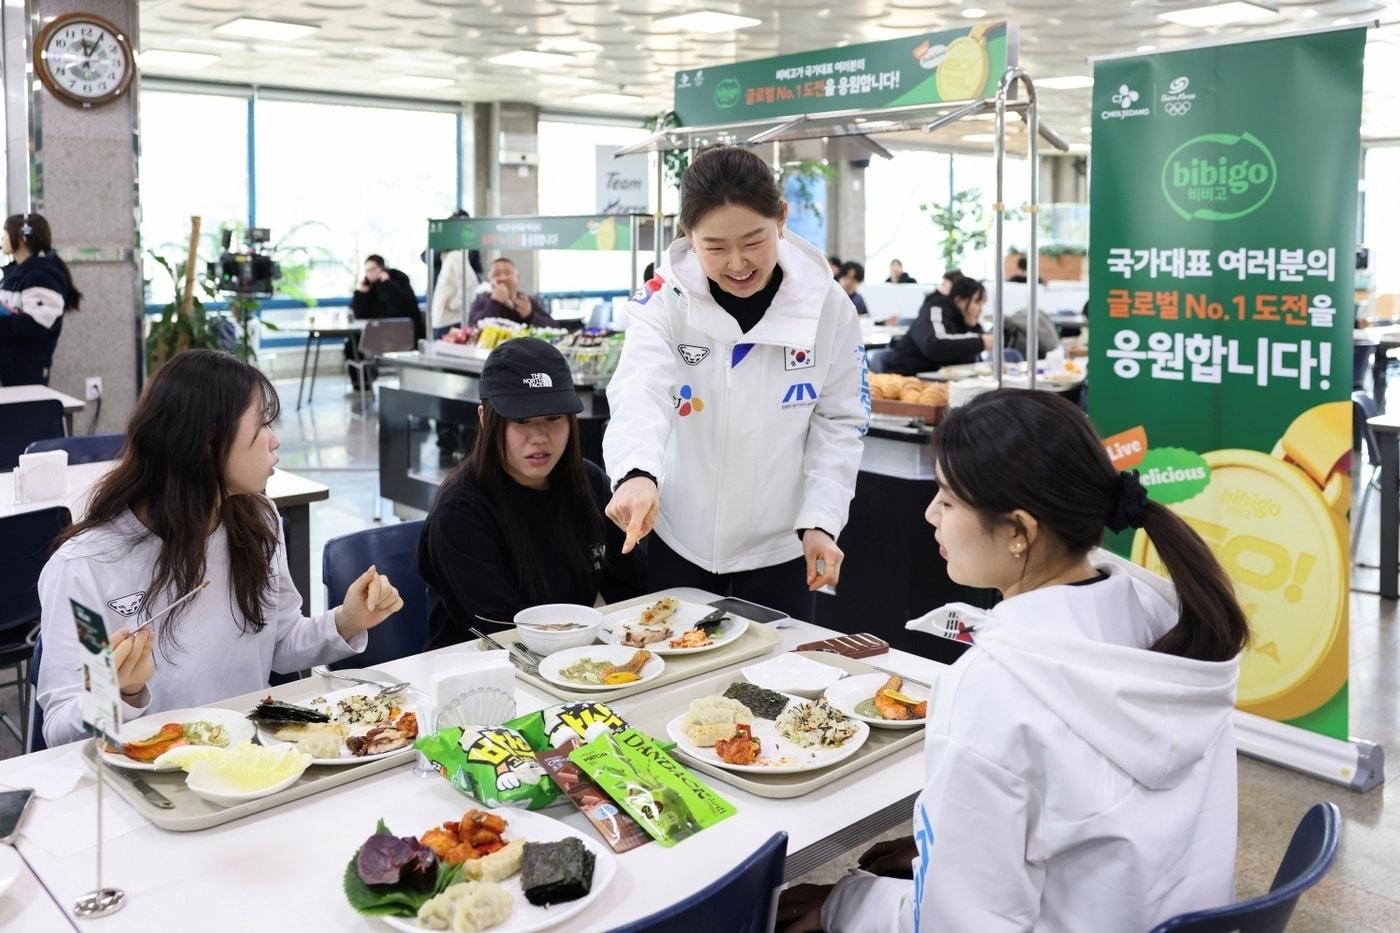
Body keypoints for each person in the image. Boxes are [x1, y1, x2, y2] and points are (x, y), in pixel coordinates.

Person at [778, 389, 1248, 933]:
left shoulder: (993, 687)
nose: (930, 513)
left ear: (1020, 532)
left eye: (948, 500)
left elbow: (962, 924)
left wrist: (847, 903)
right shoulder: (1161, 615)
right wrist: (952, 847)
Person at [36, 350, 404, 746]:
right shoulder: (85, 565)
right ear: (210, 439)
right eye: (262, 423)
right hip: (152, 777)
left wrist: (346, 620)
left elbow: (278, 645)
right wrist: (119, 694)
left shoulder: (258, 520)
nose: (274, 438)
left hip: (254, 762)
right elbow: (59, 731)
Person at [603, 145, 868, 622]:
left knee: (777, 688)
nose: (738, 263)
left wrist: (822, 521)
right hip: (680, 539)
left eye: (753, 240)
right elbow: (640, 391)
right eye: (715, 247)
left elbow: (839, 422)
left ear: (781, 218)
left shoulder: (827, 306)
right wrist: (636, 473)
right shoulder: (664, 300)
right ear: (687, 235)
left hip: (780, 550)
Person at [418, 338, 645, 647]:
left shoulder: (589, 482)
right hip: (484, 674)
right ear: (485, 418)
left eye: (553, 418)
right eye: (521, 420)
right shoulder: (460, 512)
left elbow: (634, 588)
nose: (539, 437)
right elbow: (504, 635)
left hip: (571, 661)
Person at [0, 213, 81, 386]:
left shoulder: (42, 276)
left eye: (5, 233)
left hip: (26, 379)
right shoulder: (12, 275)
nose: (2, 238)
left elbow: (34, 324)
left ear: (21, 239)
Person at [883, 276, 993, 375]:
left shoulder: (969, 325)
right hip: (905, 379)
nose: (981, 309)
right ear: (959, 301)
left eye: (983, 304)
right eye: (977, 302)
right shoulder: (934, 309)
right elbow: (934, 345)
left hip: (936, 383)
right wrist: (981, 342)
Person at [349, 254, 422, 388]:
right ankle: (362, 385)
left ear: (382, 268)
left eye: (373, 269)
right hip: (377, 334)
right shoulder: (368, 286)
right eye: (367, 270)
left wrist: (387, 284)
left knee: (359, 341)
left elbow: (403, 308)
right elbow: (360, 314)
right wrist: (360, 294)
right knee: (351, 343)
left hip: (400, 334)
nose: (370, 274)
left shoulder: (398, 280)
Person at [468, 258, 556, 328]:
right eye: (496, 274)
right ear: (490, 280)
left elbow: (554, 327)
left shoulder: (527, 301)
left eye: (508, 273)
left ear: (517, 277)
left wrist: (530, 315)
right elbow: (473, 326)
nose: (503, 278)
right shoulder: (482, 300)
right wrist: (495, 303)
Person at [430, 239, 481, 339]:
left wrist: (454, 304)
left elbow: (471, 284)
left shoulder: (455, 257)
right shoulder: (449, 257)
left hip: (450, 321)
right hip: (444, 320)